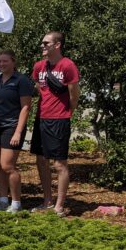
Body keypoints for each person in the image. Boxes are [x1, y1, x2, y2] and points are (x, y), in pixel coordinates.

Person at [30, 32, 80, 216]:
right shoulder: (39, 66)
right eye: (42, 43)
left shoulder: (68, 66)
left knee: (59, 164)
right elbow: (38, 86)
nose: (42, 46)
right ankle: (47, 201)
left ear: (57, 45)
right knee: (41, 161)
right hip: (41, 118)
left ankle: (59, 205)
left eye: (46, 43)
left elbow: (74, 95)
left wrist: (67, 113)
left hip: (59, 119)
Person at [0, 51, 33, 213]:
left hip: (11, 127)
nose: (1, 64)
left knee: (7, 165)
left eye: (5, 61)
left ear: (13, 62)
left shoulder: (22, 81)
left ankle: (16, 203)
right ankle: (3, 201)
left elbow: (25, 107)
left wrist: (18, 132)